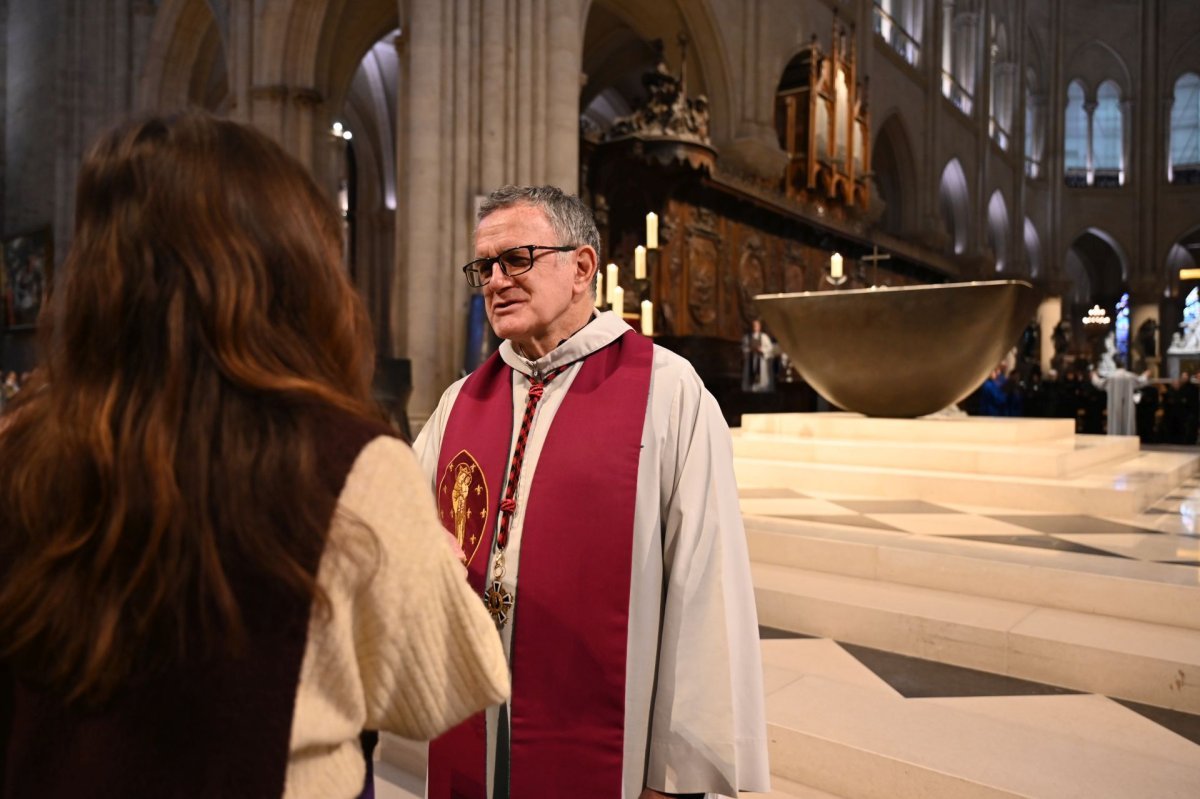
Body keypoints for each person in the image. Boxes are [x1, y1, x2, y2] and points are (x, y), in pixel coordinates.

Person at [0, 113, 509, 798]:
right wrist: (433, 562)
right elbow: (450, 682)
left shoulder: (20, 446)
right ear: (292, 268)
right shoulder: (345, 462)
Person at [412, 185, 769, 799]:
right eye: (484, 267)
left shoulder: (666, 392)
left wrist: (674, 774)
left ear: (581, 268)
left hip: (599, 738)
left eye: (517, 259)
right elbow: (404, 534)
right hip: (474, 708)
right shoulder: (461, 401)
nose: (496, 281)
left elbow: (705, 586)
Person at [1090, 360, 1150, 436]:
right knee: (1128, 419)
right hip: (1127, 403)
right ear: (1124, 366)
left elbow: (1099, 384)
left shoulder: (1111, 376)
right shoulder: (1130, 376)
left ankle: (1114, 438)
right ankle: (1128, 438)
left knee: (1114, 420)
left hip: (1114, 403)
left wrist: (1094, 376)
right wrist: (1145, 375)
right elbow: (1140, 381)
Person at [741, 318, 776, 393]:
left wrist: (762, 349)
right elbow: (743, 348)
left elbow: (770, 348)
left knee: (762, 377)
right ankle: (750, 390)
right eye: (753, 325)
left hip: (761, 360)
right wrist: (749, 350)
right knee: (749, 375)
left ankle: (762, 389)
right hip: (751, 359)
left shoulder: (764, 337)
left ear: (759, 327)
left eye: (756, 325)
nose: (755, 327)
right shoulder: (747, 337)